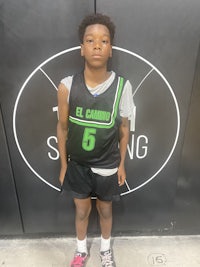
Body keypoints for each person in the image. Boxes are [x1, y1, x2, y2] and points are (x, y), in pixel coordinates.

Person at [57, 13, 135, 267]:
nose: (98, 45)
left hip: (107, 164)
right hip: (78, 164)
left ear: (111, 49)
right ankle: (81, 251)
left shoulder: (123, 86)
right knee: (81, 211)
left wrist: (122, 164)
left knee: (105, 210)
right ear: (82, 49)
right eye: (90, 40)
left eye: (104, 40)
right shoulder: (66, 86)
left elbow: (124, 129)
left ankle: (105, 250)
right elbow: (62, 127)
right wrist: (64, 165)